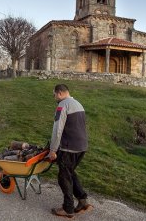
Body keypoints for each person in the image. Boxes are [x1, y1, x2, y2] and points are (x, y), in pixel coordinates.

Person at [47, 84, 92, 218]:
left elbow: (57, 130)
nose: (54, 97)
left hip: (69, 148)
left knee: (64, 177)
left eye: (54, 94)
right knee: (70, 172)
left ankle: (68, 209)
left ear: (60, 93)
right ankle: (83, 201)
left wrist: (53, 150)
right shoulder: (78, 104)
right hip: (82, 147)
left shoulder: (62, 105)